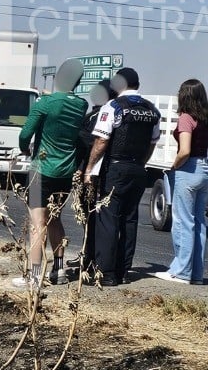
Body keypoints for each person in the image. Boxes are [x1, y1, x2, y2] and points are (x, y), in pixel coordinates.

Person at [13, 58, 87, 289]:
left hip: (41, 170)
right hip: (66, 171)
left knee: (37, 224)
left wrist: (25, 149)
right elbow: (64, 102)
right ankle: (59, 269)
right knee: (55, 218)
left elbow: (25, 134)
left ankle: (35, 276)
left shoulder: (44, 103)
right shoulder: (81, 105)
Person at [84, 67, 162, 286]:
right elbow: (152, 143)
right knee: (130, 219)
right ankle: (123, 271)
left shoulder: (113, 106)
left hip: (116, 168)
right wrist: (141, 163)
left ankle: (106, 273)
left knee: (108, 219)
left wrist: (89, 168)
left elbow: (101, 141)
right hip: (138, 169)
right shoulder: (152, 110)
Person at [157, 78, 208, 284]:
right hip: (204, 169)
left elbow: (185, 150)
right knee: (199, 222)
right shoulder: (205, 118)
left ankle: (181, 272)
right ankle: (196, 274)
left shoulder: (186, 118)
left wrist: (174, 166)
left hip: (188, 170)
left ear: (184, 95)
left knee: (183, 221)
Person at [69, 79, 118, 274]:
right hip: (107, 171)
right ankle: (90, 255)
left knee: (89, 216)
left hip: (90, 173)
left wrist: (82, 169)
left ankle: (90, 257)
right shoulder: (114, 113)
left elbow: (88, 145)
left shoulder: (96, 116)